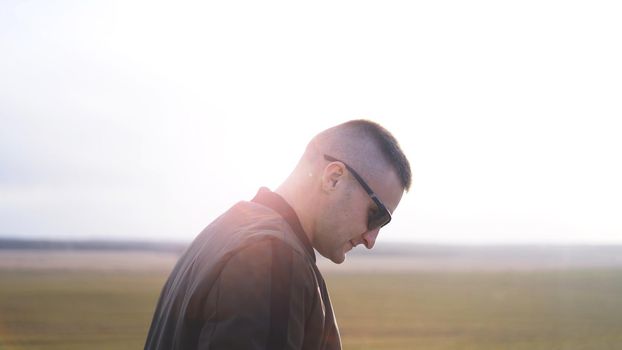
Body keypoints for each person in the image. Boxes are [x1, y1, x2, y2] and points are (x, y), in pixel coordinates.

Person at [145, 119, 412, 350]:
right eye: (376, 215)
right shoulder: (273, 255)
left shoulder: (223, 232)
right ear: (334, 178)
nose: (371, 239)